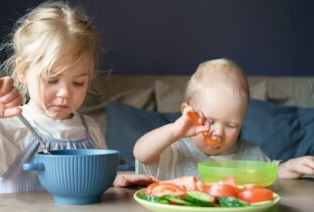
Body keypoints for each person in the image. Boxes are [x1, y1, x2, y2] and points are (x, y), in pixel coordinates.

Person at [0, 0, 156, 193]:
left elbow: (94, 182)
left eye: (78, 82)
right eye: (52, 79)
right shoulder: (10, 128)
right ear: (23, 71)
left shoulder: (90, 128)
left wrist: (115, 179)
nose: (65, 92)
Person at [133, 58, 314, 180]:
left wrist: (291, 166)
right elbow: (141, 153)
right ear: (187, 113)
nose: (219, 133)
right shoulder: (174, 149)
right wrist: (174, 131)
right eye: (210, 121)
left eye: (231, 125)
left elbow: (272, 172)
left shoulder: (249, 153)